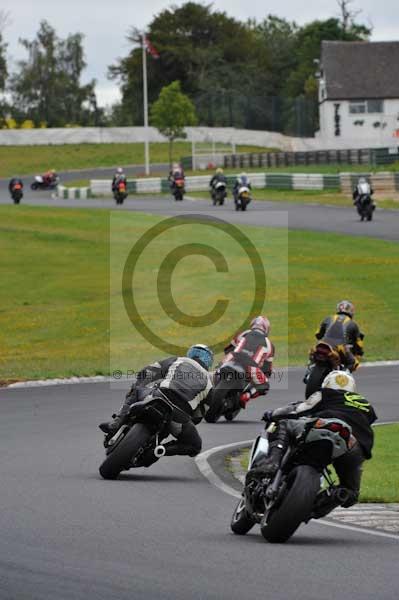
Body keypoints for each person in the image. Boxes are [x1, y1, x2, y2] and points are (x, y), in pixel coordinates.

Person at [248, 370, 377, 517]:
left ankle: (272, 462)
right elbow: (367, 424)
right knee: (350, 493)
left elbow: (299, 409)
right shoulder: (366, 405)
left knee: (283, 424)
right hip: (355, 444)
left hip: (324, 426)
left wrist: (273, 414)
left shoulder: (326, 393)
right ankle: (321, 503)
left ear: (327, 383)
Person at [99, 344, 214, 467]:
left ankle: (116, 424)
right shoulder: (210, 384)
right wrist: (187, 421)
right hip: (178, 416)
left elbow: (147, 371)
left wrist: (141, 383)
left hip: (158, 396)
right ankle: (159, 450)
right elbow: (199, 416)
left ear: (191, 353)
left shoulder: (178, 360)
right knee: (195, 446)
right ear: (209, 362)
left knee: (136, 390)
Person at [222, 316, 275, 408]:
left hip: (233, 358)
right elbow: (267, 369)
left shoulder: (244, 333)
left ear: (252, 325)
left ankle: (211, 387)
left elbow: (228, 348)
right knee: (265, 385)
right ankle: (247, 395)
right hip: (251, 366)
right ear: (266, 329)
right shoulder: (270, 344)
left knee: (218, 369)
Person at [314, 300, 364, 372]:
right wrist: (359, 353)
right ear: (351, 311)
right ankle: (341, 379)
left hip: (323, 344)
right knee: (353, 363)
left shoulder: (328, 318)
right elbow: (359, 344)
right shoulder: (353, 324)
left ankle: (309, 370)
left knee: (313, 353)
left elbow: (318, 333)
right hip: (340, 347)